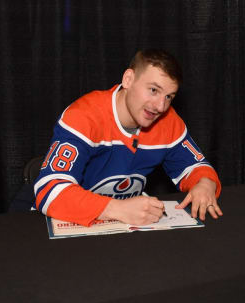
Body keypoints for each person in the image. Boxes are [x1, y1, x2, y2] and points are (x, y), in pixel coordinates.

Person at [34, 49, 223, 226]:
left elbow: (197, 167)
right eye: (153, 90)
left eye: (169, 97)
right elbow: (49, 191)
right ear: (128, 79)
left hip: (120, 231)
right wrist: (117, 208)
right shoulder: (84, 116)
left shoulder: (168, 121)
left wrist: (205, 184)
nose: (160, 106)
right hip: (60, 226)